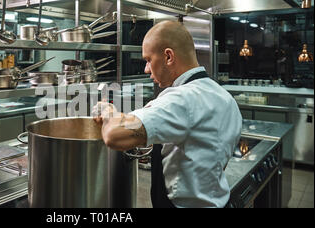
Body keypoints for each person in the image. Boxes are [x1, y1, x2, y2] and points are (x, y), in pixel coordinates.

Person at [92, 21, 242, 208]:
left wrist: (108, 110)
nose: (146, 69)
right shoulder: (225, 98)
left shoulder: (180, 99)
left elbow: (114, 135)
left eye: (148, 60)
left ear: (169, 57)